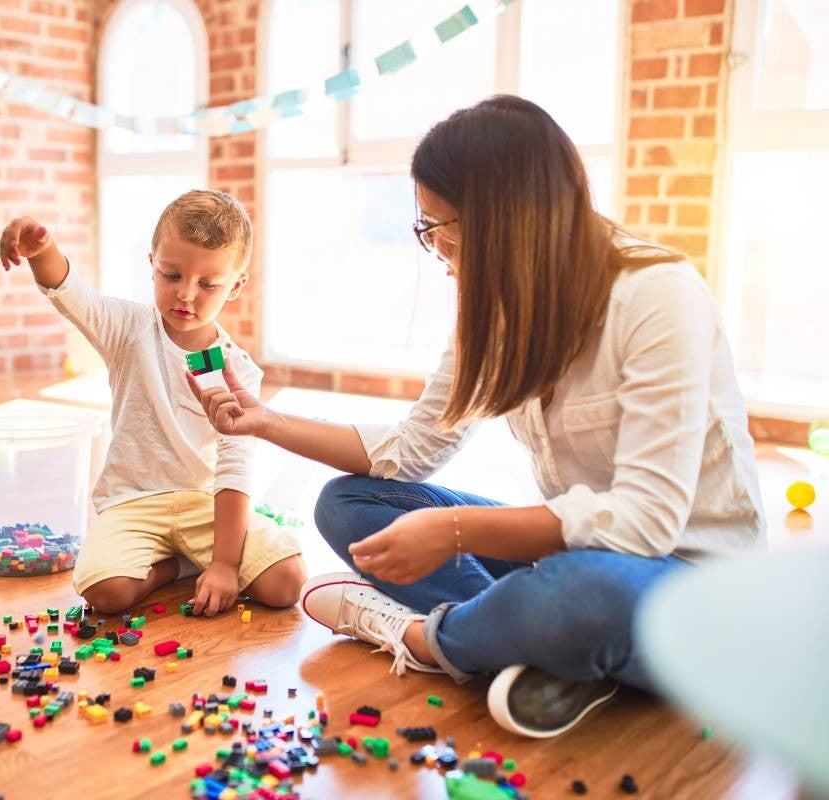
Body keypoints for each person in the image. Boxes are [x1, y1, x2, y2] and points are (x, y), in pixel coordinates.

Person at [187, 96, 764, 737]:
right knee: (348, 504)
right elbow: (410, 451)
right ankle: (532, 646)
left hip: (694, 585)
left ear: (502, 217)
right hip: (571, 556)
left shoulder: (656, 293)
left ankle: (426, 638)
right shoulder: (495, 307)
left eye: (437, 225)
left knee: (582, 593)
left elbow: (646, 521)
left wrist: (456, 530)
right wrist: (265, 421)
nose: (434, 247)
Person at [0, 189, 306, 617]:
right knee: (105, 592)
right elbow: (72, 294)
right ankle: (176, 566)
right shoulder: (128, 328)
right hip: (132, 501)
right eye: (172, 275)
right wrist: (42, 251)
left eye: (208, 284)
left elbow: (234, 466)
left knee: (286, 581)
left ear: (236, 286)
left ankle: (194, 559)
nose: (186, 295)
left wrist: (224, 563)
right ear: (152, 265)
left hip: (204, 504)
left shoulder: (238, 369)